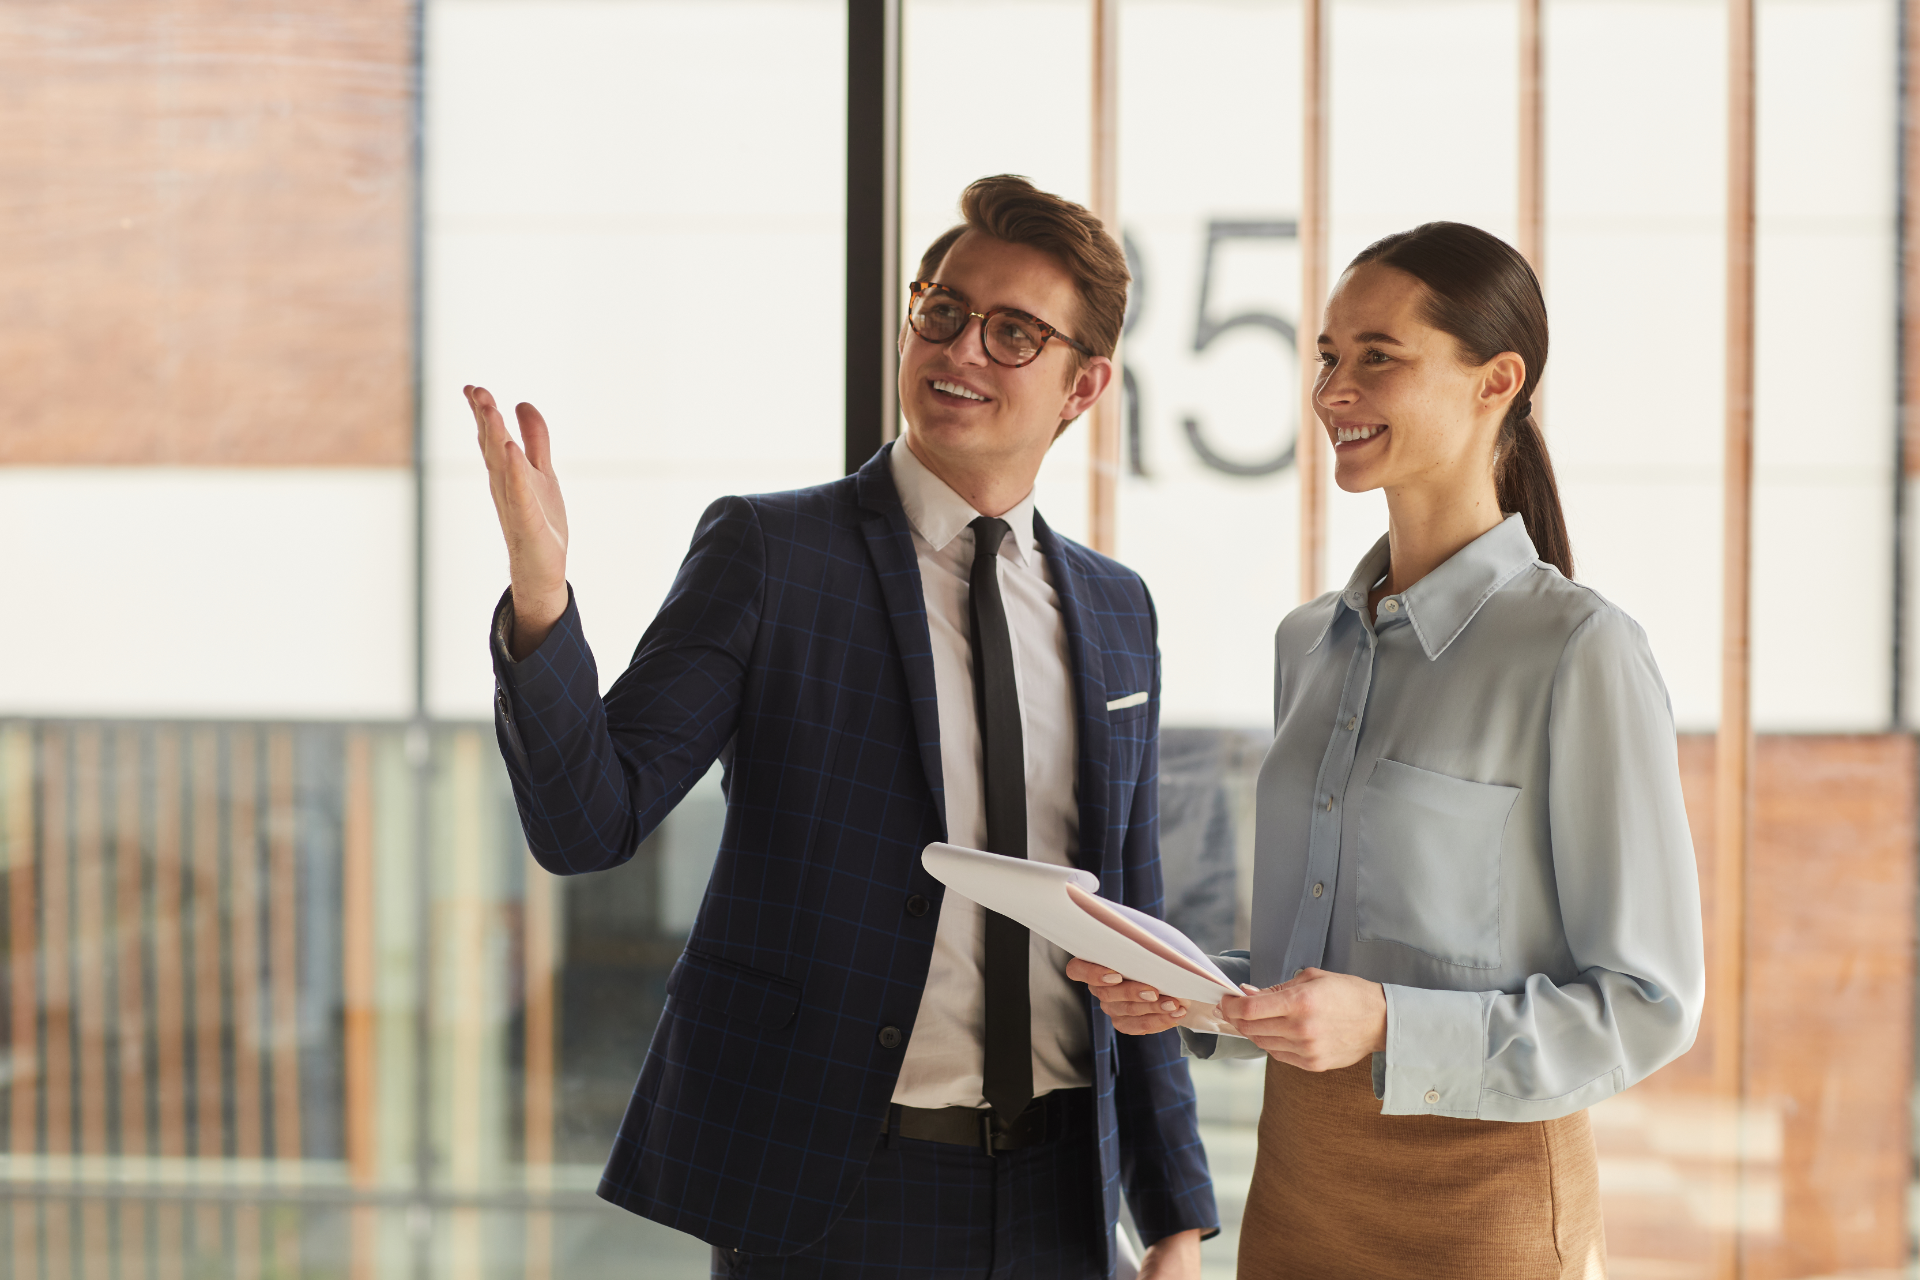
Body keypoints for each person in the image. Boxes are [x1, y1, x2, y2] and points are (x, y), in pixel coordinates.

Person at [470, 174, 1216, 1279]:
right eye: (942, 310)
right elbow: (589, 823)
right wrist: (541, 599)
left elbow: (1131, 920)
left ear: (1084, 384)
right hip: (834, 1191)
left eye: (1014, 332)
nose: (960, 350)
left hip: (1065, 1200)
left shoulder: (1117, 607)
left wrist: (1175, 1217)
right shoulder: (771, 555)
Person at [1071, 222, 1705, 1278]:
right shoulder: (1308, 645)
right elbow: (1325, 969)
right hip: (1296, 1188)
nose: (1334, 391)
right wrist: (1197, 992)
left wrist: (1384, 1025)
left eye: (1378, 356)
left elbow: (1648, 1006)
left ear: (1497, 380)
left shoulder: (1579, 650)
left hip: (1484, 1207)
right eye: (1328, 356)